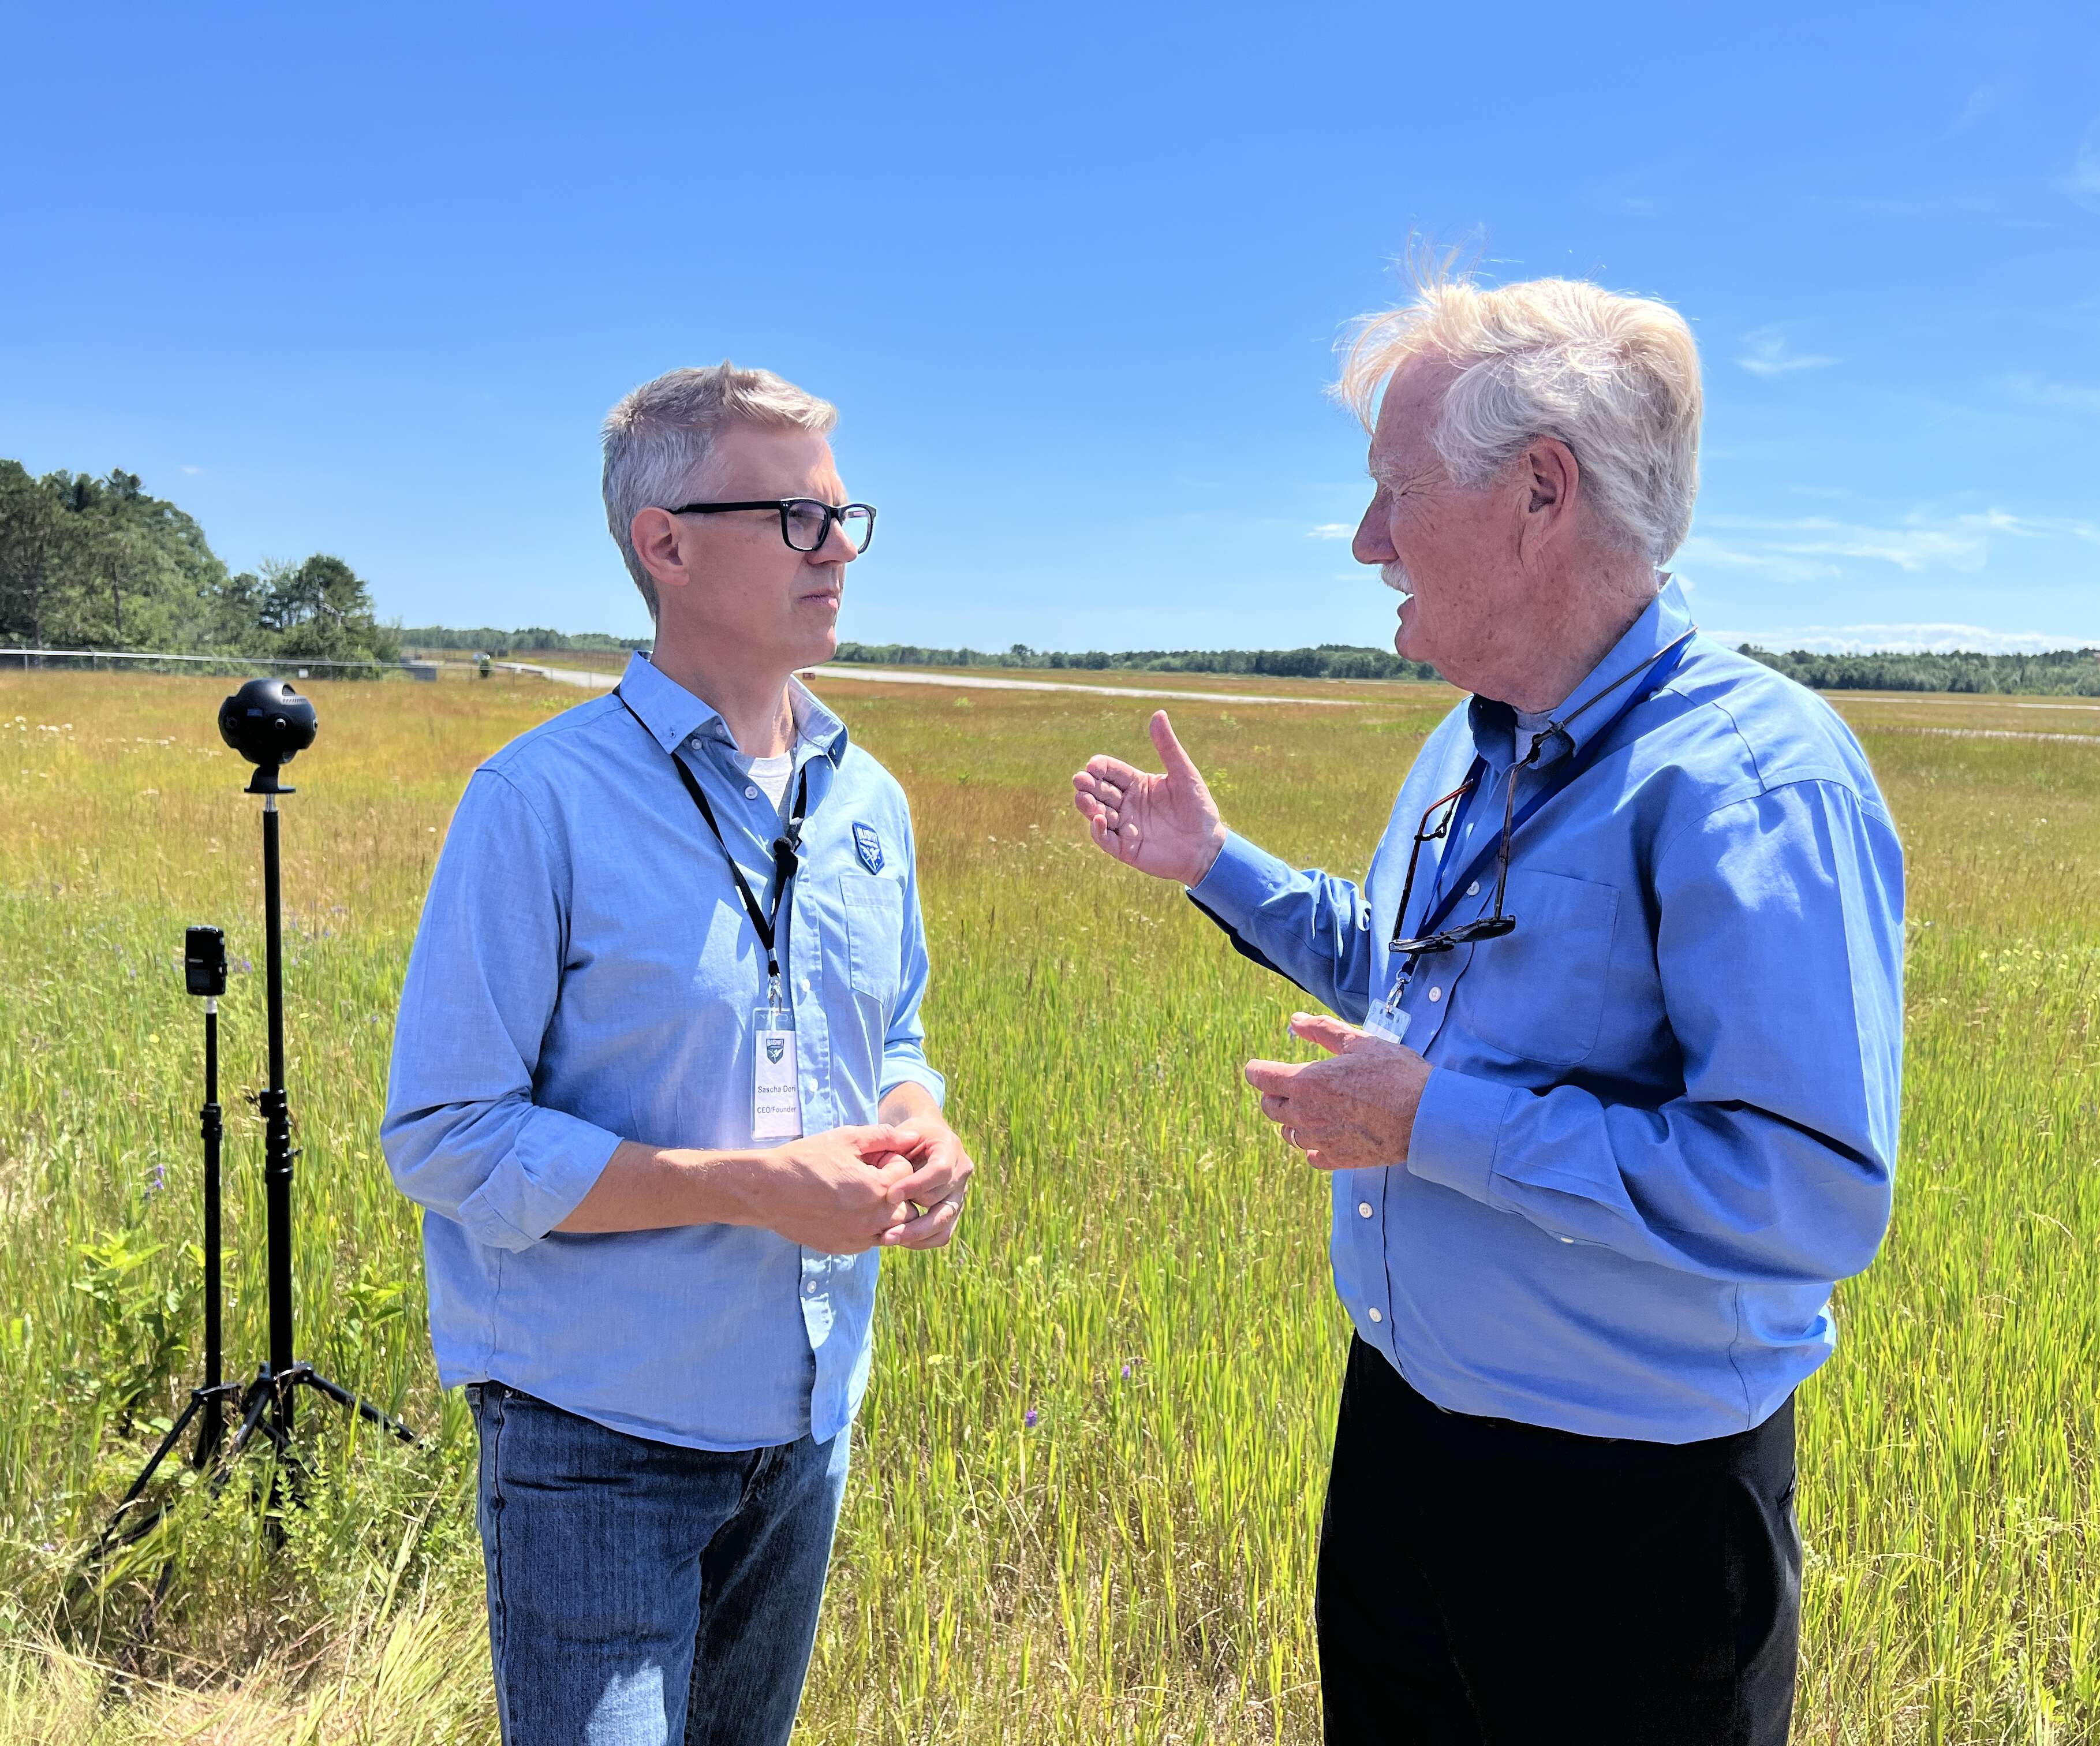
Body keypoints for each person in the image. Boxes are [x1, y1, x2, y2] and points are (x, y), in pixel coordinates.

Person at [1072, 273, 1904, 1744]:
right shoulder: (1476, 748)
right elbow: (1415, 977)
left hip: (1625, 1517)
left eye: (1395, 492)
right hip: (1402, 1442)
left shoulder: (1750, 780)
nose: (1366, 541)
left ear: (1541, 492)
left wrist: (1431, 1126)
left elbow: (1805, 1193)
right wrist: (1219, 865)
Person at [382, 363, 972, 1745]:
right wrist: (749, 1185)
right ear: (666, 543)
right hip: (598, 1431)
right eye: (798, 519)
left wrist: (916, 1115)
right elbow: (447, 1134)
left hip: (807, 1413)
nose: (838, 552)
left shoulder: (865, 799)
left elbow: (896, 1030)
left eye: (845, 519)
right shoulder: (539, 800)